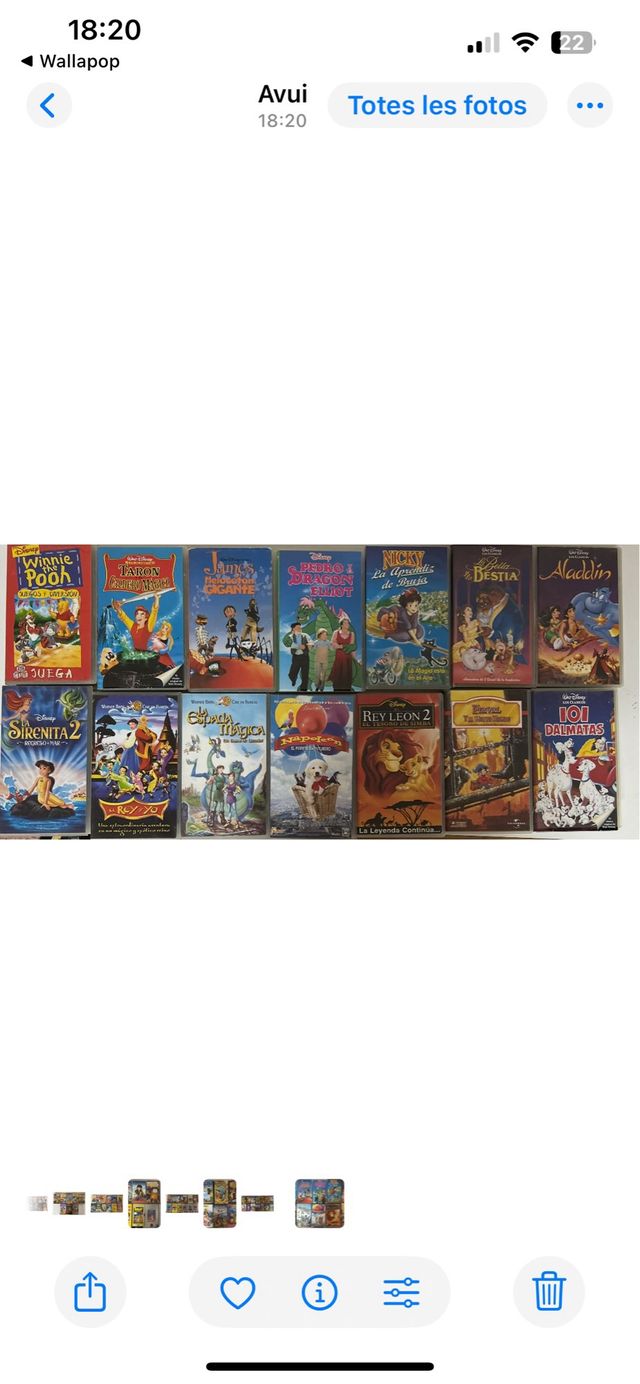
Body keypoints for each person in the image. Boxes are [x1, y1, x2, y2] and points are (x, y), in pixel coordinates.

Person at [329, 618, 355, 691]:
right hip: (339, 658)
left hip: (348, 659)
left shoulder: (352, 634)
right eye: (345, 623)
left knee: (347, 675)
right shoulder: (336, 632)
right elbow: (333, 644)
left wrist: (355, 659)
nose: (347, 624)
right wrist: (342, 646)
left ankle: (347, 691)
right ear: (341, 625)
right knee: (338, 674)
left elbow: (351, 647)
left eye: (348, 623)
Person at [287, 623, 313, 690]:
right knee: (291, 674)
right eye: (298, 628)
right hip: (296, 657)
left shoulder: (305, 635)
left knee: (305, 675)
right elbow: (288, 643)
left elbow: (311, 642)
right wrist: (298, 646)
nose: (300, 629)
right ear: (293, 629)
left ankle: (304, 690)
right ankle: (293, 679)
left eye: (300, 627)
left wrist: (308, 646)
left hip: (305, 657)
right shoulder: (290, 637)